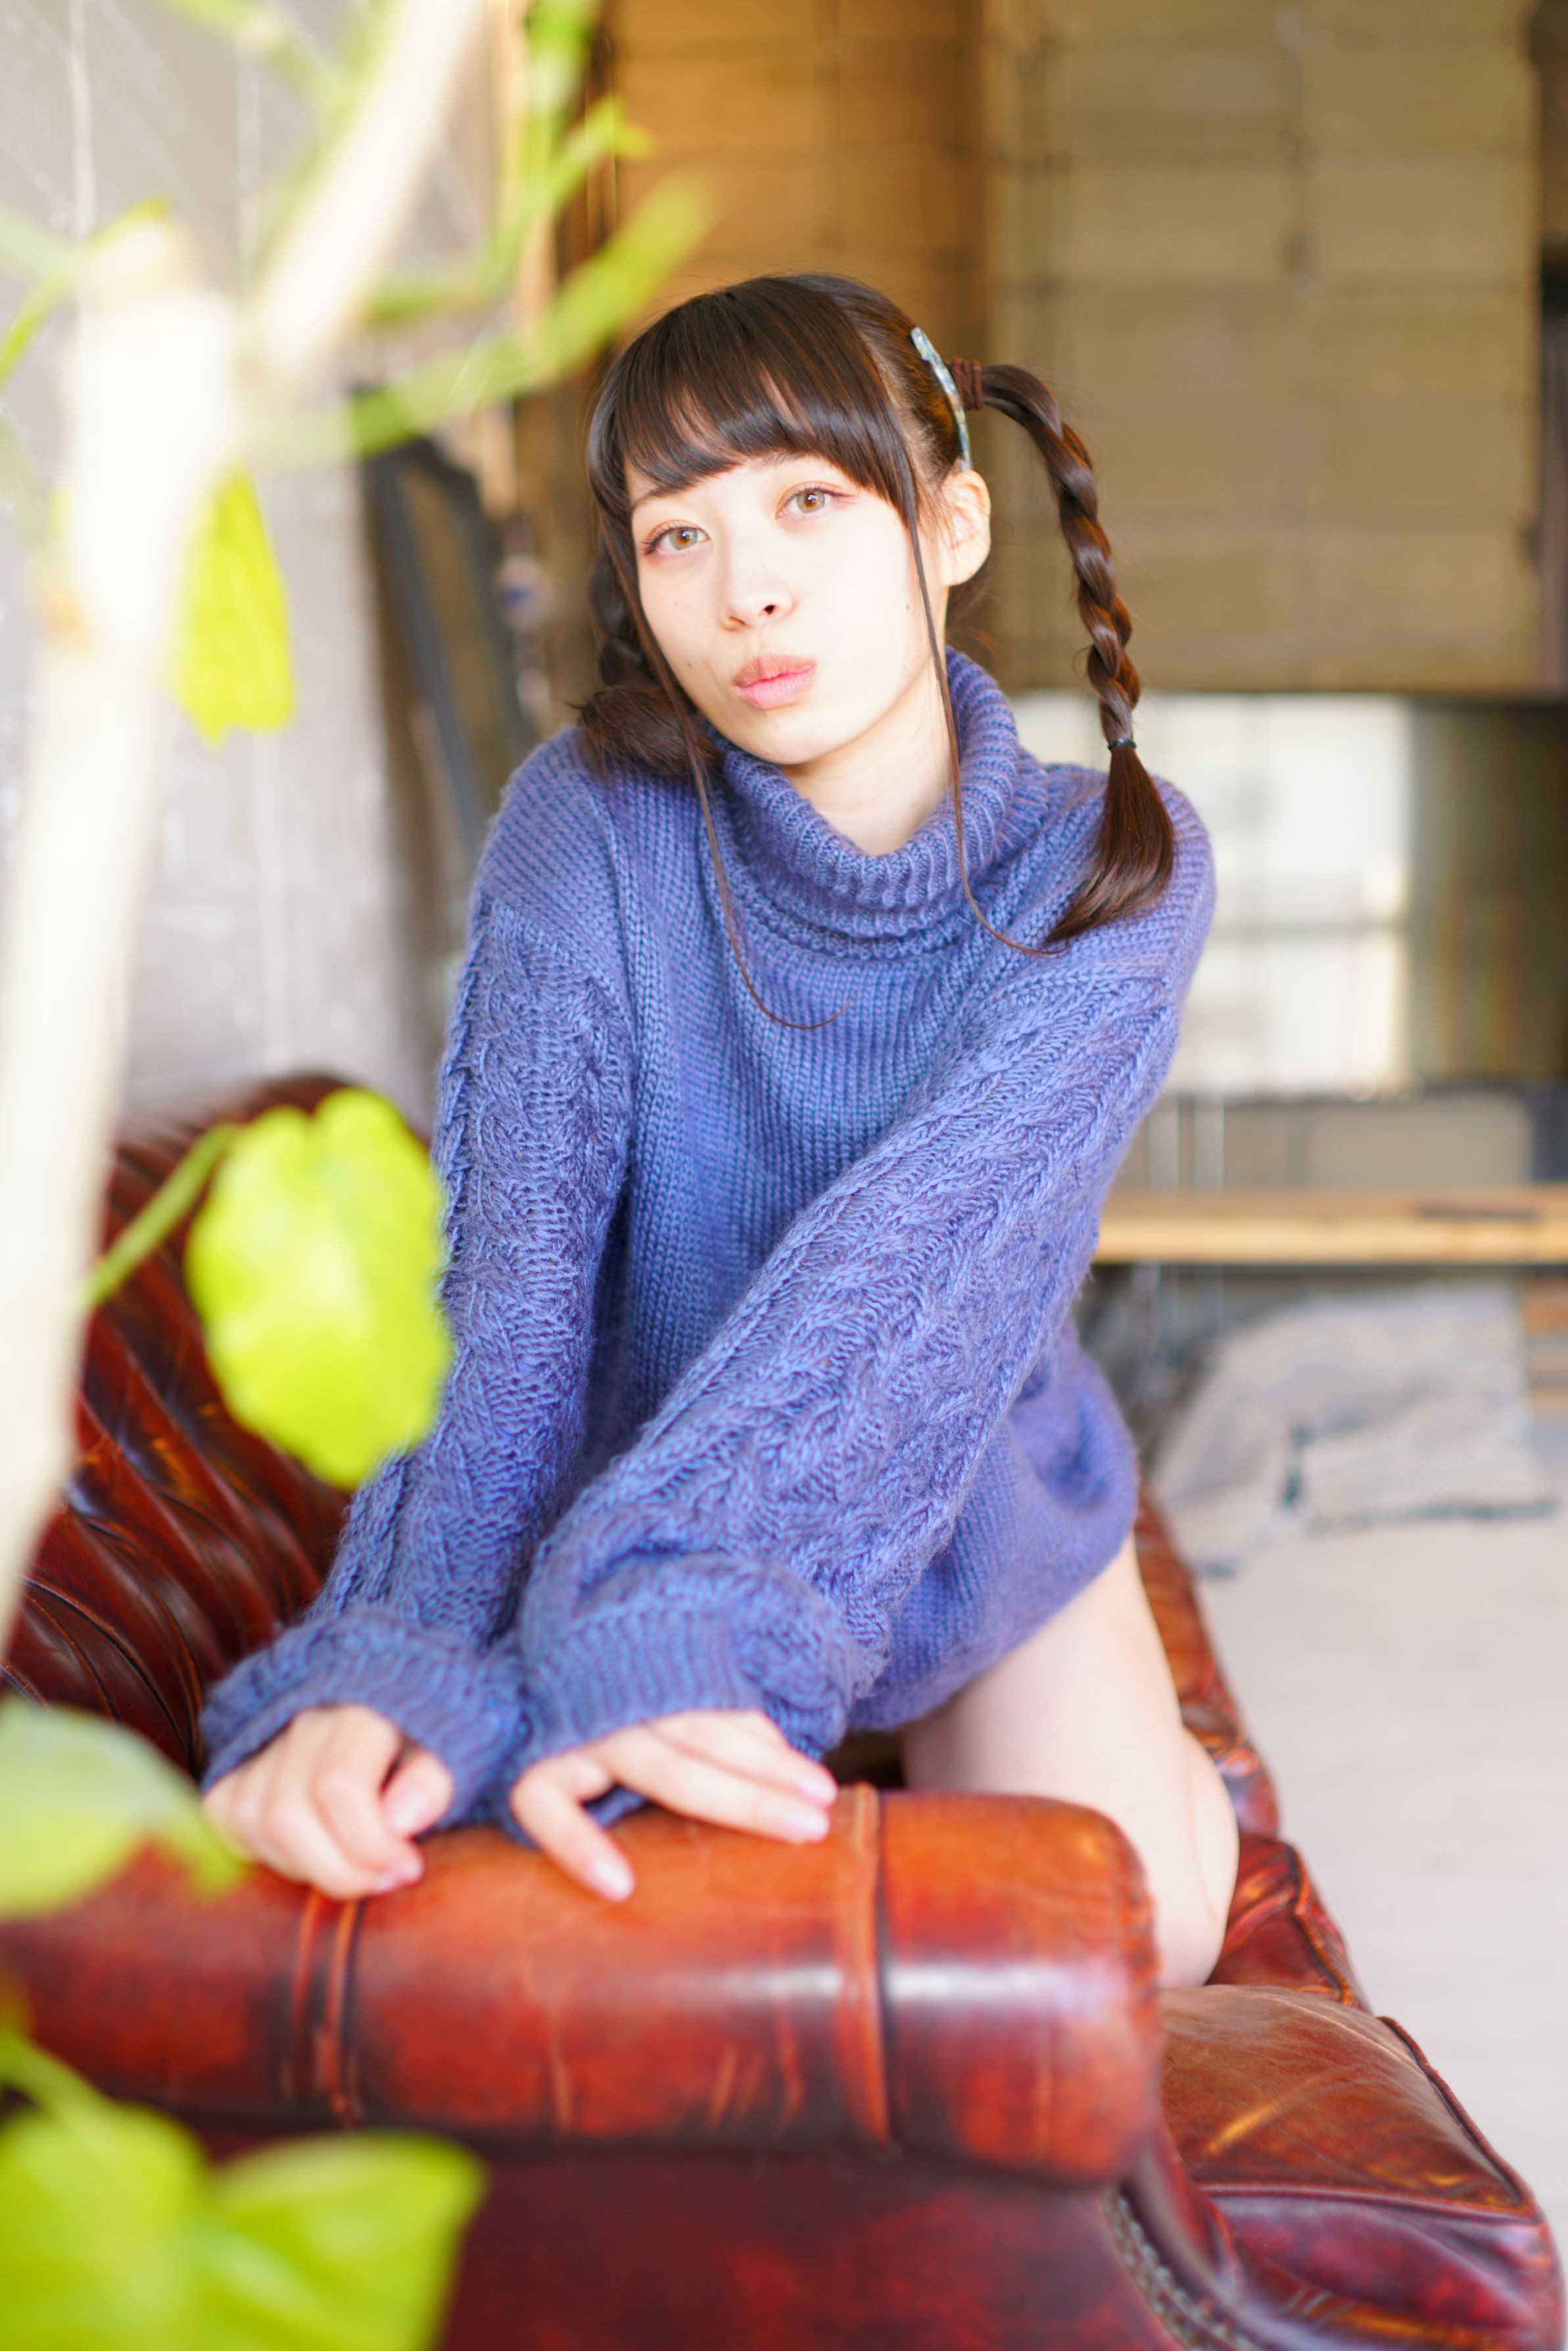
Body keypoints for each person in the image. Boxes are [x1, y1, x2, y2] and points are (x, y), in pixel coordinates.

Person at [201, 273, 1238, 1987]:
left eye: (807, 504)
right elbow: (505, 1298)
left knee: (1151, 1935)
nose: (745, 589)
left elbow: (911, 1274)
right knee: (516, 1885)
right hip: (628, 1516)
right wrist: (395, 1650)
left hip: (955, 1472)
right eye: (676, 536)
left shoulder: (1115, 865)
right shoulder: (584, 827)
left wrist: (677, 1612)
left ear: (951, 525)